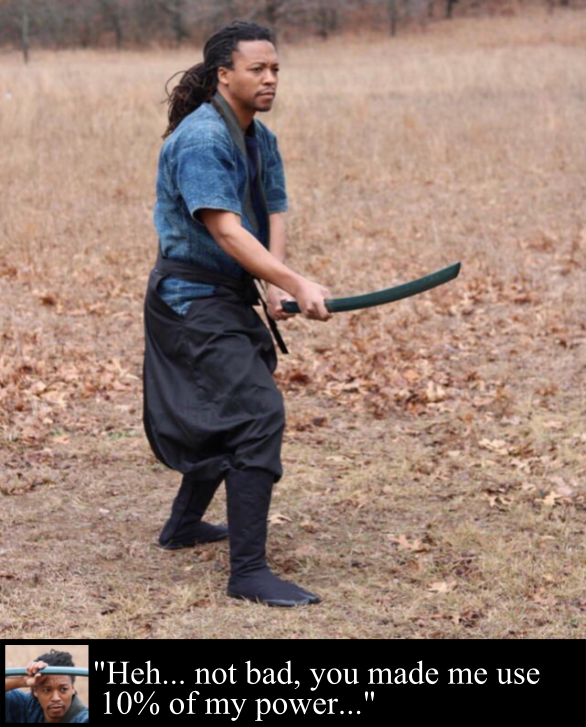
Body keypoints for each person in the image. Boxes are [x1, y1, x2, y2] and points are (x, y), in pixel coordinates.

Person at [143, 20, 332, 607]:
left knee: (226, 412)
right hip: (189, 300)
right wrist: (294, 282)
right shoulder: (203, 139)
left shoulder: (258, 136)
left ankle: (182, 526)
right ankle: (248, 572)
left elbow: (272, 209)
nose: (270, 78)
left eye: (275, 69)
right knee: (255, 413)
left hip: (227, 295)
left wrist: (273, 282)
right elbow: (225, 229)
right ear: (224, 75)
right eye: (258, 69)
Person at [5, 651, 89, 723]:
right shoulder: (28, 706)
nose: (56, 698)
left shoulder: (84, 719)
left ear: (72, 689)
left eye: (63, 689)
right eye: (47, 690)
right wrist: (23, 680)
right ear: (35, 690)